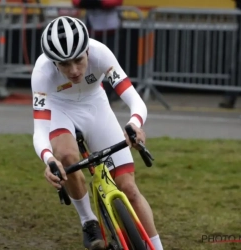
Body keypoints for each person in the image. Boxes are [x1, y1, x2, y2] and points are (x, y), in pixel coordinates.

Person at [31, 16, 163, 250]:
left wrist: (134, 123)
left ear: (87, 51)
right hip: (61, 110)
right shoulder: (42, 73)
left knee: (129, 188)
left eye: (78, 60)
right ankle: (88, 220)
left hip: (95, 106)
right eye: (64, 64)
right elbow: (40, 130)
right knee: (67, 156)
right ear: (53, 63)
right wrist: (49, 159)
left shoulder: (101, 52)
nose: (73, 70)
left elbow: (134, 99)